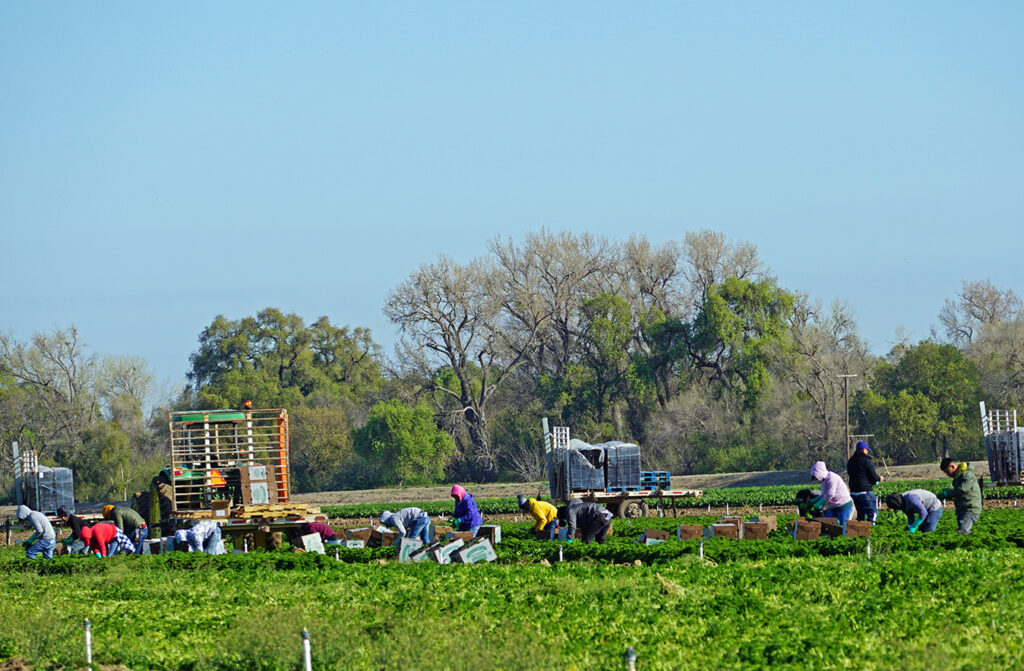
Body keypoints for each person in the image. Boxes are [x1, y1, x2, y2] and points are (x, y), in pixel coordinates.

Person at [939, 458, 983, 534]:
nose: (948, 474)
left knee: (963, 532)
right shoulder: (959, 476)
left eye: (947, 471)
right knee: (963, 531)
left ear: (952, 467)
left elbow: (962, 489)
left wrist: (947, 493)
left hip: (970, 508)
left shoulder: (967, 475)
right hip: (963, 509)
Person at [847, 441, 882, 523]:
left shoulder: (851, 461)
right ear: (863, 450)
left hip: (854, 492)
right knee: (873, 514)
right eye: (867, 450)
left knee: (860, 515)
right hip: (865, 492)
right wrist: (879, 479)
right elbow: (873, 476)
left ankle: (859, 532)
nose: (867, 452)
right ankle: (871, 530)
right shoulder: (866, 461)